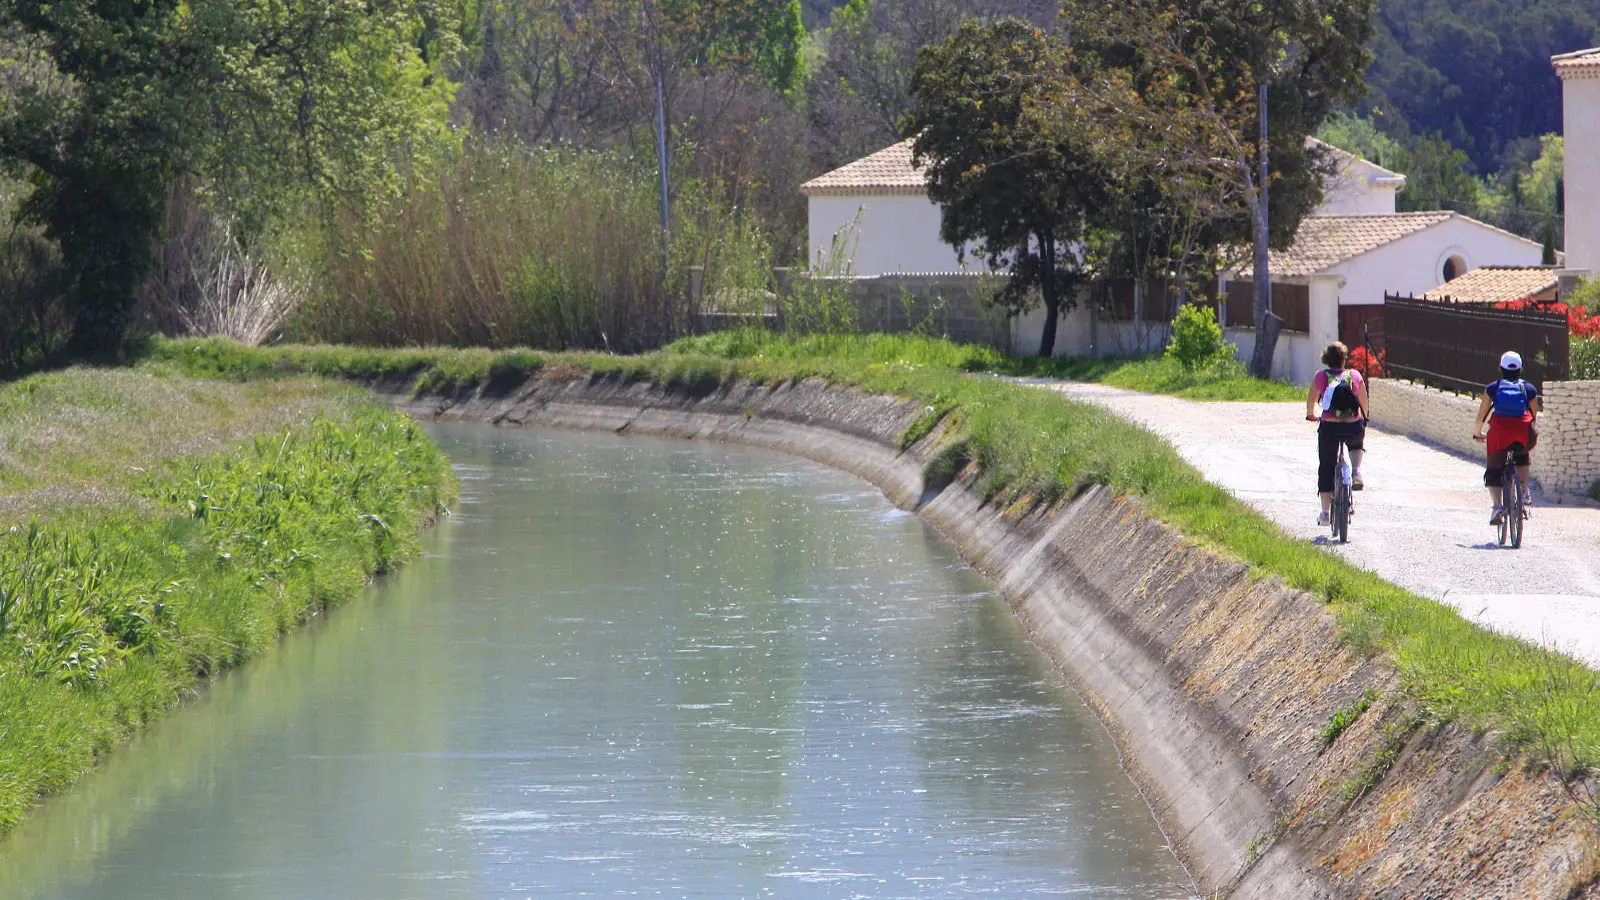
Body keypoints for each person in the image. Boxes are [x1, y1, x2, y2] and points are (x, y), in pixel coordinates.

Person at [1472, 350, 1540, 525]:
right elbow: (1533, 415)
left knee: (1494, 469)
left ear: (1500, 368)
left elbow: (1482, 413)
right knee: (1522, 454)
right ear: (1520, 369)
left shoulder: (1493, 388)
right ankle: (1524, 491)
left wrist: (1477, 432)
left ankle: (1497, 507)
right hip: (1524, 433)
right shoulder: (1529, 389)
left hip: (1500, 433)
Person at [1305, 341, 1369, 526]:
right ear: (1344, 359)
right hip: (1352, 425)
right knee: (1356, 442)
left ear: (1326, 359)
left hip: (1330, 427)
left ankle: (1325, 513)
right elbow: (1364, 403)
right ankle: (1356, 472)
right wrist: (1363, 419)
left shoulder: (1320, 376)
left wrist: (1311, 415)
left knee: (1326, 467)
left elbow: (1311, 400)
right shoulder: (1354, 375)